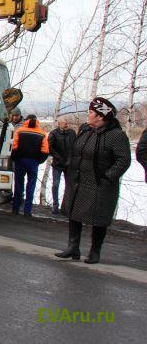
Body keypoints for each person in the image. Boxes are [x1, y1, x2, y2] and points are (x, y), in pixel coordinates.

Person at [55, 97, 131, 264]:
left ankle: (95, 252)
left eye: (90, 112)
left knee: (99, 217)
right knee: (74, 212)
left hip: (101, 183)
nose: (87, 115)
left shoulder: (116, 135)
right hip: (79, 180)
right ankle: (73, 247)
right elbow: (75, 151)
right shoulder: (85, 130)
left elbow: (123, 160)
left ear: (100, 116)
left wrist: (108, 177)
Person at [11, 114, 49, 216]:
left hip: (20, 160)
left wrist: (15, 158)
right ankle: (27, 211)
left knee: (18, 185)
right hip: (33, 162)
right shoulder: (42, 133)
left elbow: (14, 147)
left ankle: (15, 209)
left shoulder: (20, 130)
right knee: (31, 186)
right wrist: (39, 161)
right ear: (37, 121)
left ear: (26, 120)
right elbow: (45, 151)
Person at [48, 117, 76, 214]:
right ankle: (55, 205)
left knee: (69, 185)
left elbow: (74, 147)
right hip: (57, 163)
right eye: (64, 123)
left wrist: (70, 159)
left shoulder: (72, 133)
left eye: (67, 122)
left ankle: (66, 206)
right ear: (59, 124)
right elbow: (50, 148)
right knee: (56, 184)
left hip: (69, 164)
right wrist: (58, 158)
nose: (66, 124)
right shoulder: (53, 133)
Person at [0, 107, 27, 205]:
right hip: (7, 153)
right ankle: (6, 194)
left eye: (17, 116)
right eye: (13, 115)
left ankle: (19, 196)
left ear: (20, 115)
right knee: (6, 173)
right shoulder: (8, 123)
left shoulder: (24, 125)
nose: (15, 118)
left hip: (18, 154)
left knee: (18, 175)